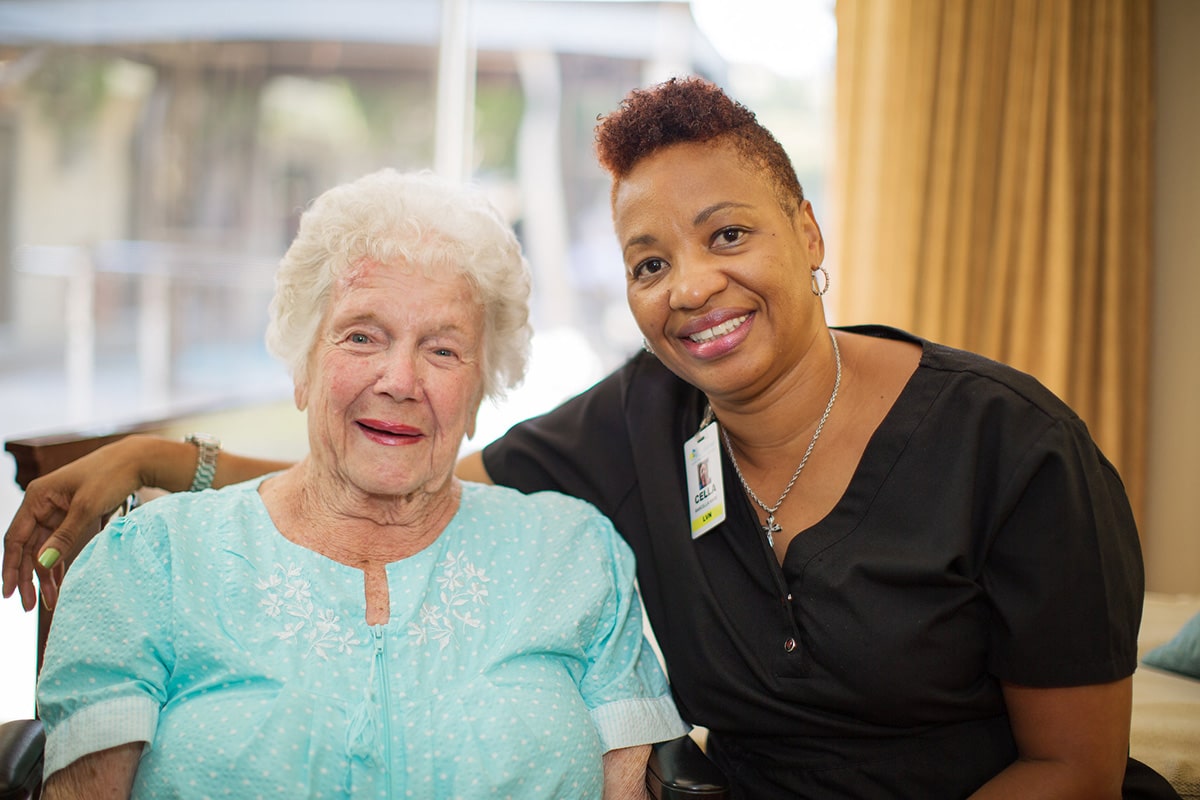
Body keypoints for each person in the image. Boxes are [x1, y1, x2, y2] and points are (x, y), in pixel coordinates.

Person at [4, 78, 1174, 799]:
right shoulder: (642, 420)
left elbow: (1071, 769)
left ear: (808, 231)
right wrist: (172, 462)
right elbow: (407, 471)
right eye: (650, 262)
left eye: (729, 233)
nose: (694, 286)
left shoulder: (1014, 450)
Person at [14, 169, 688, 798]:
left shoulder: (572, 556)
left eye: (443, 350)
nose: (399, 379)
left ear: (481, 389)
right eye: (362, 337)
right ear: (302, 366)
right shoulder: (150, 563)